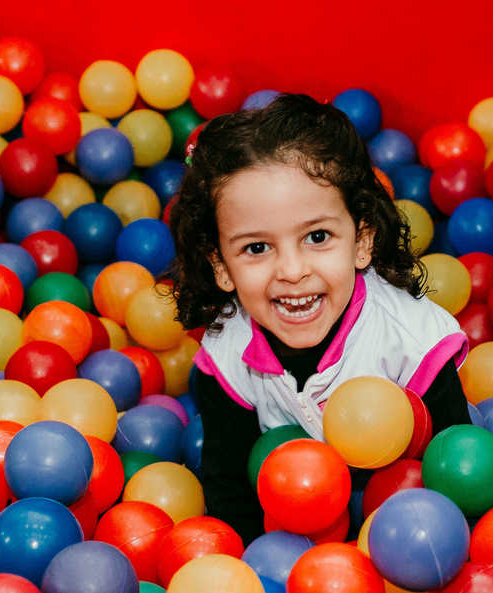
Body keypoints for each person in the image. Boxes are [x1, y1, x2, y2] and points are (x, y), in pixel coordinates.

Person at [170, 93, 470, 543]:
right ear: (221, 268)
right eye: (256, 248)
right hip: (296, 534)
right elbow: (230, 487)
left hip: (409, 530)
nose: (292, 271)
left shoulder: (410, 340)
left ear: (361, 240)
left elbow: (458, 474)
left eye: (317, 236)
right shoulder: (228, 353)